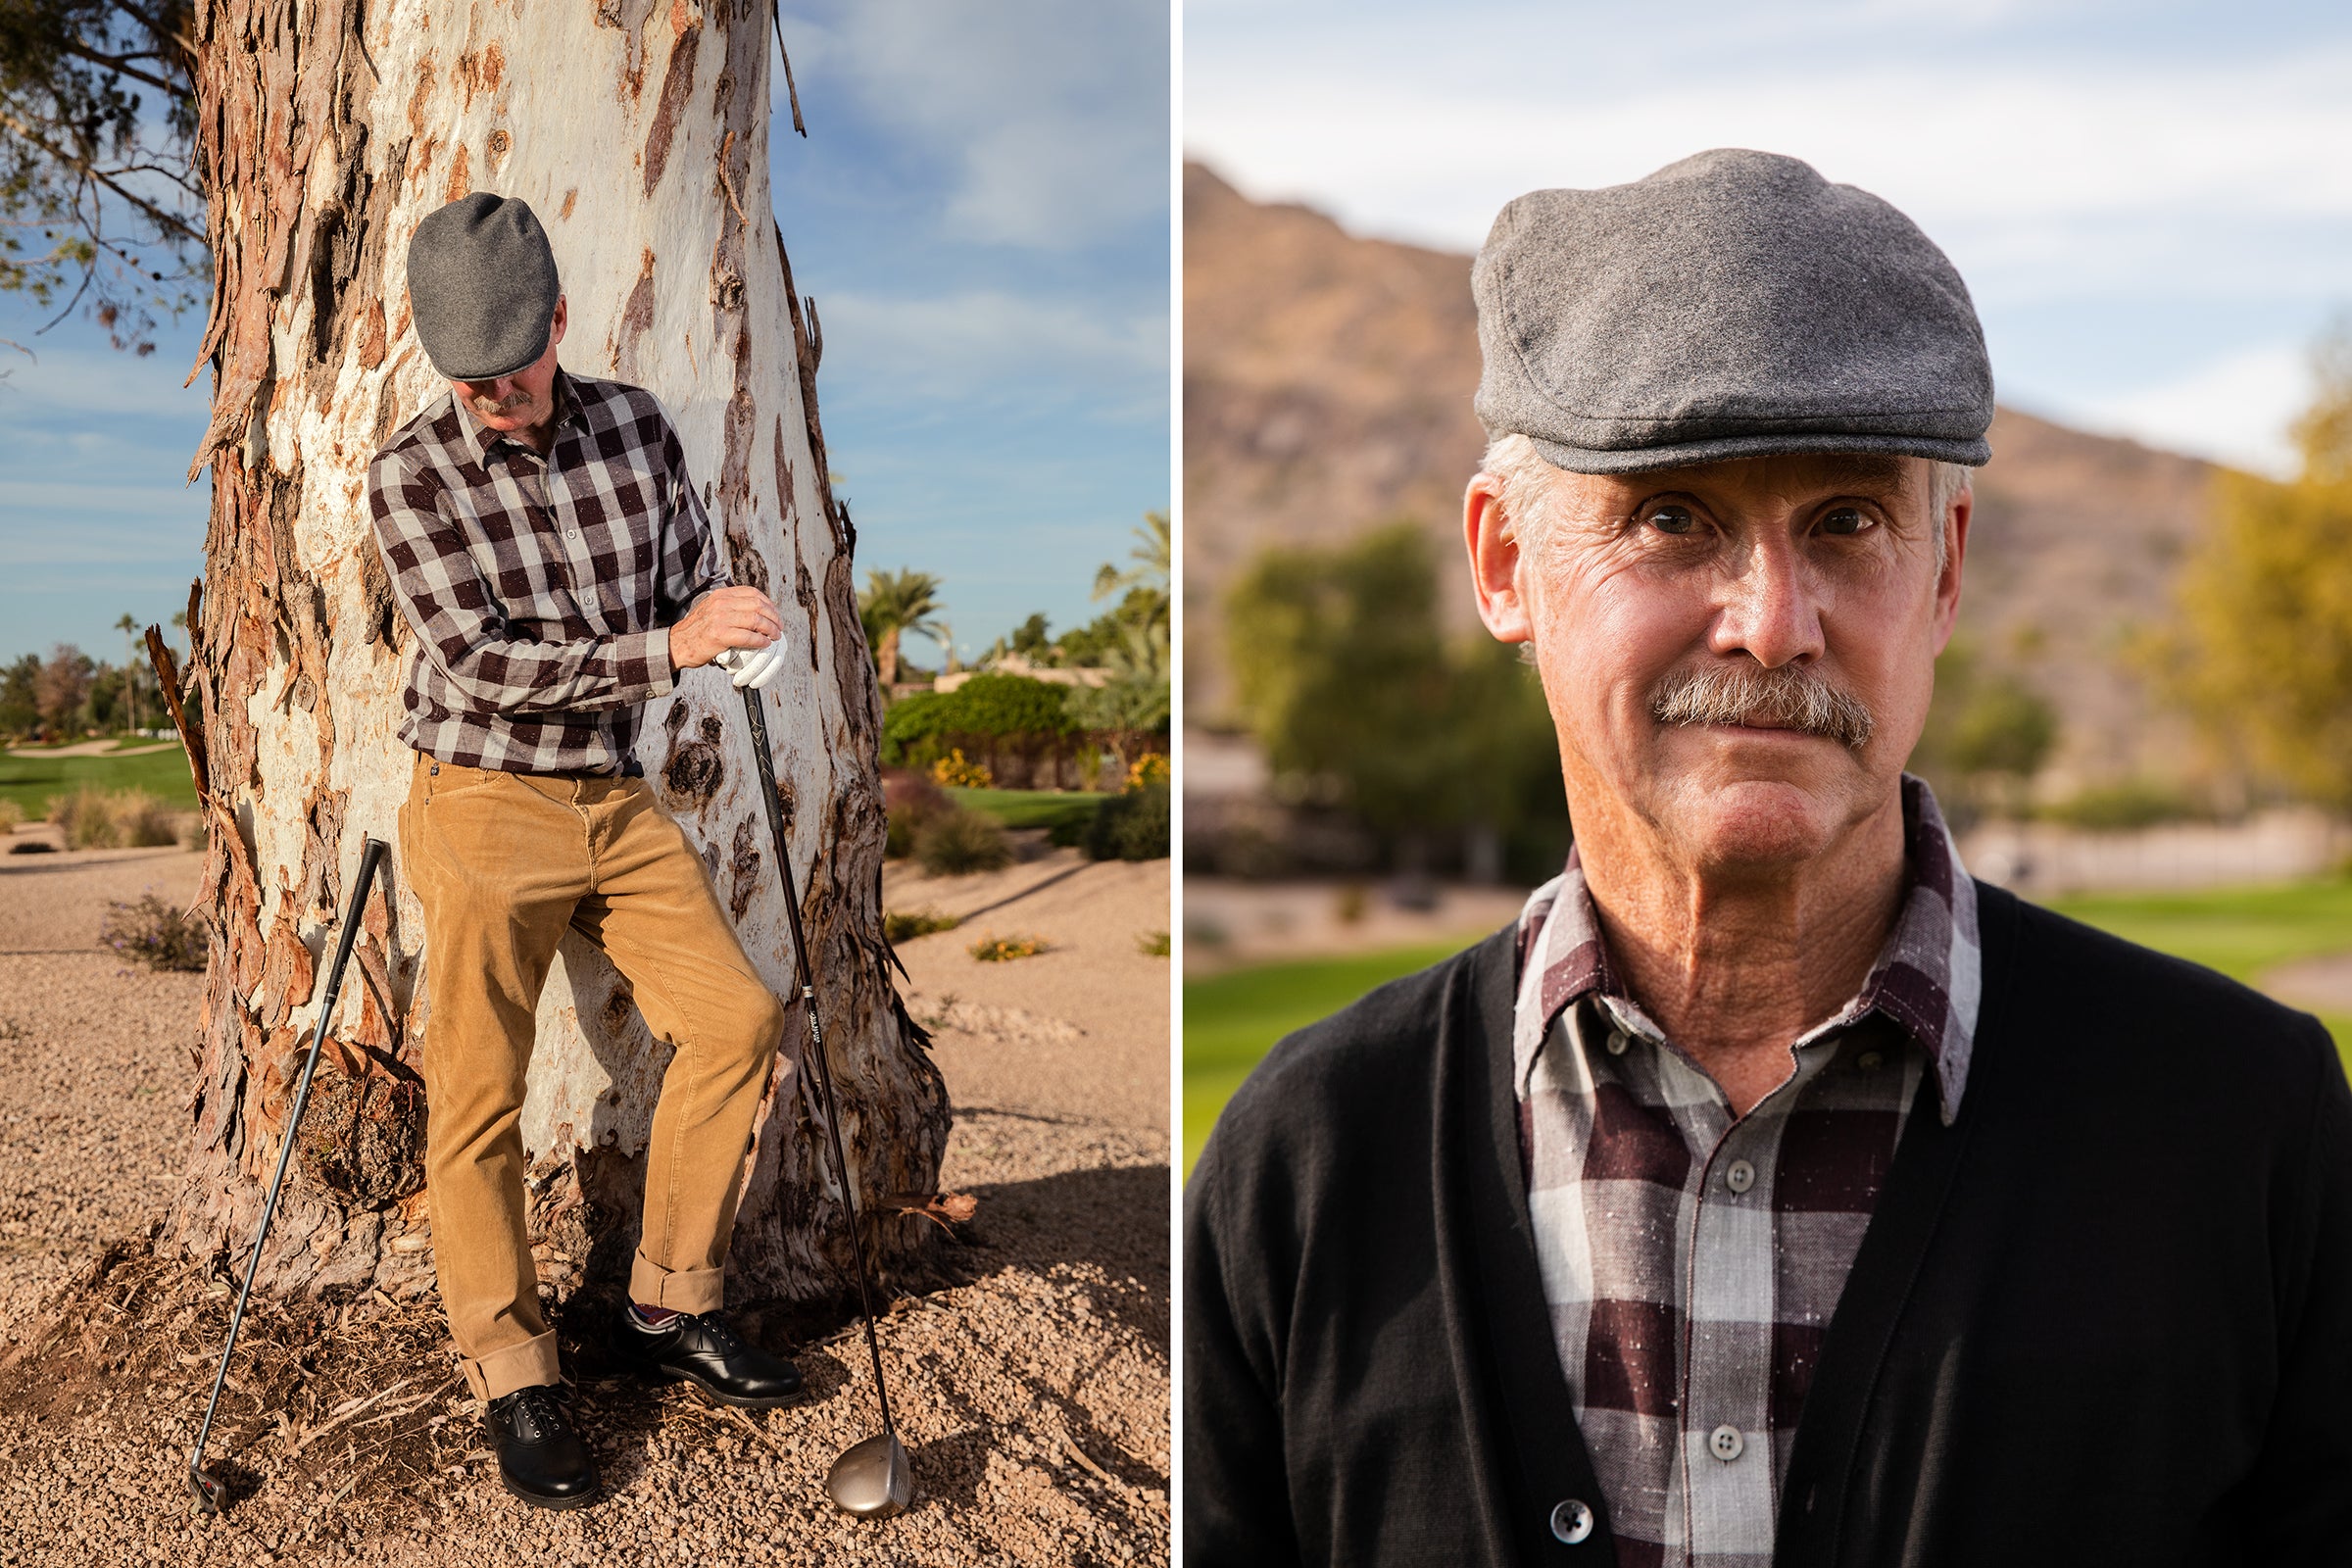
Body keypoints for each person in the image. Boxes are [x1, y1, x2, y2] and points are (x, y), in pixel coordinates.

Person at [1183, 150, 2352, 1566]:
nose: (1773, 621)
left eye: (1847, 523)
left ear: (1946, 571)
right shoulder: (1300, 1166)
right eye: (1673, 516)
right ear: (1505, 567)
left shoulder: (2249, 1128)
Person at [368, 191, 803, 1510]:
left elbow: (686, 588)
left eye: (513, 367)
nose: (494, 396)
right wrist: (663, 650)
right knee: (480, 1100)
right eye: (469, 378)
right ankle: (514, 1370)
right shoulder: (410, 476)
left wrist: (731, 627)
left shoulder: (636, 428)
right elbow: (486, 667)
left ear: (561, 319)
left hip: (615, 803)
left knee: (737, 1020)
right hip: (484, 803)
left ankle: (668, 1304)